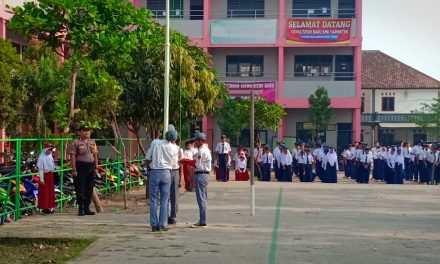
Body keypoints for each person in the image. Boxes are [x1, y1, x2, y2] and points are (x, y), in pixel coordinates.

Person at [145, 128, 179, 232]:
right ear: (174, 139)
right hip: (166, 173)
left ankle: (154, 224)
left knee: (153, 199)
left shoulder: (155, 142)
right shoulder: (174, 148)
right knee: (165, 199)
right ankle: (163, 224)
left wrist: (149, 168)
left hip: (154, 172)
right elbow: (174, 165)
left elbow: (147, 158)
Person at [69, 125, 99, 216]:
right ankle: (81, 208)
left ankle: (87, 208)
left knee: (89, 188)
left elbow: (95, 155)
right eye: (84, 131)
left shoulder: (92, 142)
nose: (87, 132)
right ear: (80, 132)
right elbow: (72, 156)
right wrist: (74, 169)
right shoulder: (76, 142)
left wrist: (96, 167)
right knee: (80, 187)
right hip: (80, 166)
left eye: (88, 131)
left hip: (91, 166)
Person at [191, 132, 212, 227]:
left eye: (196, 140)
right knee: (203, 198)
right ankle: (202, 219)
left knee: (201, 199)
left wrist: (188, 162)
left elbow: (198, 165)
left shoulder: (202, 151)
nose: (195, 142)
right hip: (204, 175)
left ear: (201, 141)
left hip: (201, 174)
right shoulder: (203, 150)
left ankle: (202, 220)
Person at [37, 142, 56, 214]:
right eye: (49, 149)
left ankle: (49, 206)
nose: (50, 151)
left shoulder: (50, 156)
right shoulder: (41, 158)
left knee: (50, 192)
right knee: (44, 192)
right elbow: (40, 169)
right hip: (45, 176)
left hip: (50, 175)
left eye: (51, 149)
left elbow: (52, 167)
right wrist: (41, 179)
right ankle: (44, 207)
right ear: (45, 149)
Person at [168, 126, 181, 225]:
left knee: (166, 195)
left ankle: (168, 215)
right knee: (173, 195)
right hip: (173, 171)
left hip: (167, 171)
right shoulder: (177, 148)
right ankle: (172, 216)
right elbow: (180, 161)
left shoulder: (161, 145)